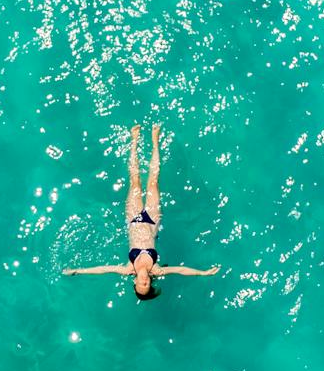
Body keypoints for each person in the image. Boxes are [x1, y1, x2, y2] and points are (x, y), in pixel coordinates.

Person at [62, 123, 219, 300]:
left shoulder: (128, 268)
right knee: (153, 182)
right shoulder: (156, 269)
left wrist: (78, 270)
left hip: (134, 219)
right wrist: (203, 273)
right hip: (152, 219)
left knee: (135, 181)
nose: (144, 282)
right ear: (150, 283)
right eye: (147, 285)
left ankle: (134, 140)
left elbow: (102, 269)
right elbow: (181, 270)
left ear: (135, 281)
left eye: (140, 285)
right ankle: (155, 140)